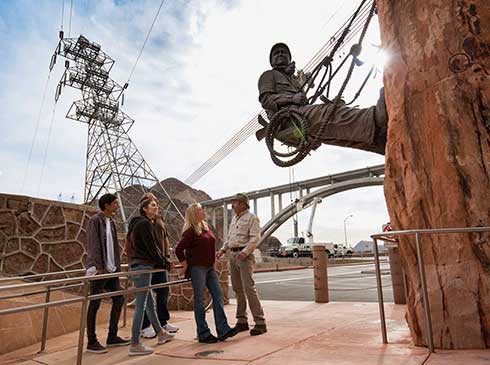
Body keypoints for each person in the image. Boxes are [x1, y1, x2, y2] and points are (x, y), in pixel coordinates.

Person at [257, 42, 388, 155]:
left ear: (289, 58)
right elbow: (266, 100)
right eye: (276, 53)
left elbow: (302, 102)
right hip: (287, 119)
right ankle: (375, 119)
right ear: (271, 61)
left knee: (332, 131)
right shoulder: (268, 75)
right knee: (328, 114)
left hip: (298, 117)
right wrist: (292, 98)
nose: (280, 54)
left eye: (283, 52)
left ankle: (378, 141)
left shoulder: (295, 81)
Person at [175, 203, 238, 343]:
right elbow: (179, 249)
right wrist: (185, 264)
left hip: (210, 268)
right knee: (200, 300)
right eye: (199, 210)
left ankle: (223, 330)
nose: (202, 211)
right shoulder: (191, 231)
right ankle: (203, 333)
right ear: (194, 214)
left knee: (218, 295)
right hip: (197, 268)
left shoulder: (206, 227)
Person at [128, 198, 174, 356]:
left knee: (149, 304)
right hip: (143, 267)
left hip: (137, 266)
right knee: (141, 306)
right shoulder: (145, 224)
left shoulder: (135, 224)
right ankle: (135, 344)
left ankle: (161, 334)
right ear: (145, 209)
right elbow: (152, 247)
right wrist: (164, 262)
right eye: (153, 205)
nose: (156, 207)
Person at [217, 193, 267, 336]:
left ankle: (260, 322)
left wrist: (245, 252)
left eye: (236, 203)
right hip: (233, 256)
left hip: (244, 257)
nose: (233, 205)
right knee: (238, 290)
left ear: (243, 204)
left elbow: (255, 238)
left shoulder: (252, 218)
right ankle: (242, 321)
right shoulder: (234, 219)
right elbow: (229, 238)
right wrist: (222, 250)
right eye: (233, 202)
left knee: (249, 289)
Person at [85, 193, 130, 354]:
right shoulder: (95, 221)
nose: (117, 206)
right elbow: (93, 245)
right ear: (107, 205)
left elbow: (113, 247)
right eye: (115, 203)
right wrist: (97, 267)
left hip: (112, 270)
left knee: (119, 299)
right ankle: (91, 341)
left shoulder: (111, 222)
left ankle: (112, 336)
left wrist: (116, 267)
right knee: (95, 304)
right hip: (100, 270)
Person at [137, 193, 179, 338]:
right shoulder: (142, 222)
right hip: (148, 264)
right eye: (152, 203)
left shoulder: (160, 220)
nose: (156, 205)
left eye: (156, 202)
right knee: (147, 297)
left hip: (161, 263)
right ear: (144, 206)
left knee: (163, 292)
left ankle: (162, 322)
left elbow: (165, 239)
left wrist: (167, 257)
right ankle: (144, 326)